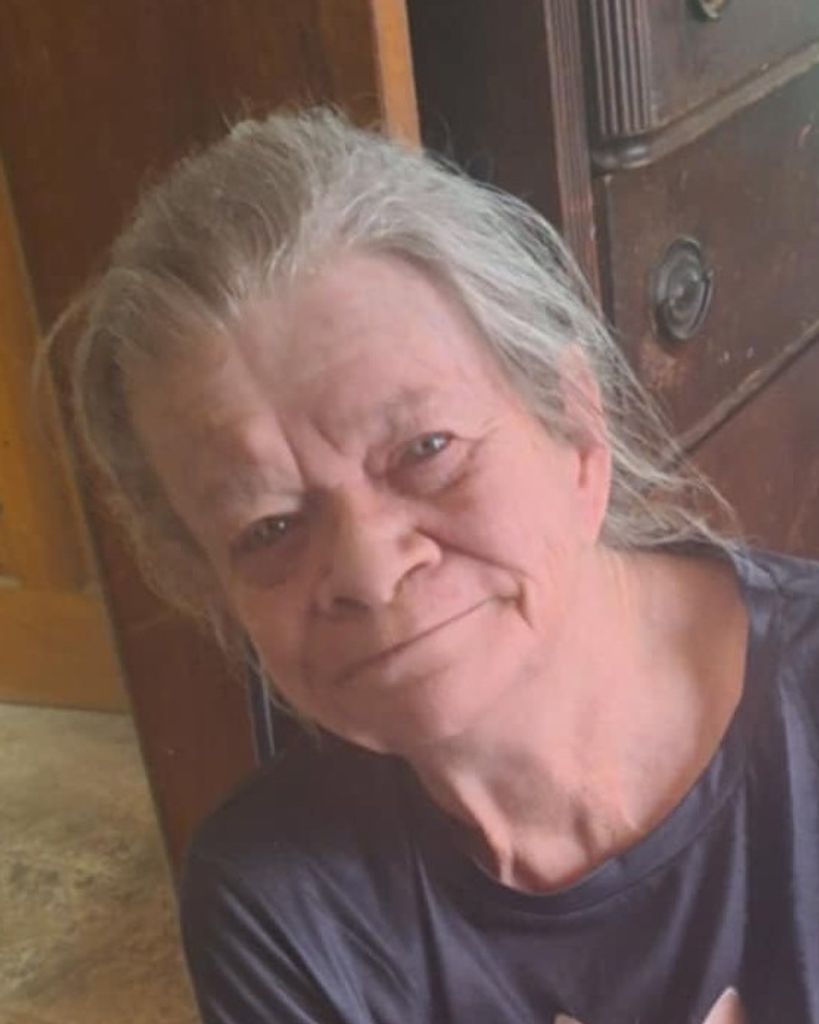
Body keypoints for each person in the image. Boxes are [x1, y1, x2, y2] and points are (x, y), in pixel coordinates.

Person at [69, 109, 819, 1023]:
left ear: (577, 429)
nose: (369, 570)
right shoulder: (277, 905)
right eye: (267, 528)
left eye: (426, 448)